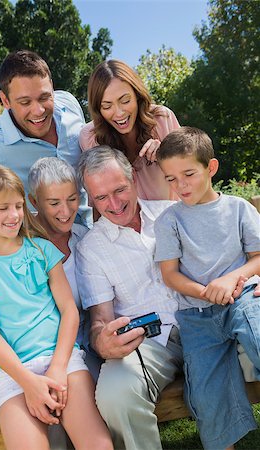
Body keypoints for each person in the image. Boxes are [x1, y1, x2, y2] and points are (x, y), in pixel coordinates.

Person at [0, 165, 113, 450]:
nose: (15, 215)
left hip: (63, 361)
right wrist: (29, 384)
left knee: (98, 446)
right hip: (13, 372)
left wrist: (56, 369)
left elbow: (69, 311)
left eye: (18, 206)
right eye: (3, 208)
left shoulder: (42, 250)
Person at [154, 126, 260, 450]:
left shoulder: (239, 209)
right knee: (205, 392)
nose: (180, 185)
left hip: (242, 298)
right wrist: (206, 291)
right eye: (170, 179)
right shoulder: (169, 221)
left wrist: (230, 281)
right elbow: (170, 275)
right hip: (197, 316)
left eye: (188, 174)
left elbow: (258, 258)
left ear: (210, 168)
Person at [75, 145, 183, 450]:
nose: (114, 204)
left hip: (205, 323)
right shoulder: (92, 248)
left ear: (133, 179)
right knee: (114, 393)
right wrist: (102, 342)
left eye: (119, 189)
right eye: (100, 197)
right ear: (91, 199)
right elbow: (100, 320)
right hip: (151, 343)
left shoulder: (171, 213)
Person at [0, 49, 91, 227]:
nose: (39, 111)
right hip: (46, 248)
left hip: (95, 230)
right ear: (5, 101)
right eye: (25, 102)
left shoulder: (69, 103)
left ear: (52, 87)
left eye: (44, 97)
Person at [79, 59, 180, 201]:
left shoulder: (162, 119)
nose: (119, 113)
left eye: (125, 101)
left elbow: (190, 172)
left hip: (171, 218)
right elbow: (98, 198)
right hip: (124, 223)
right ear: (98, 109)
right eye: (107, 106)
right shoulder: (90, 137)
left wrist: (166, 155)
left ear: (137, 95)